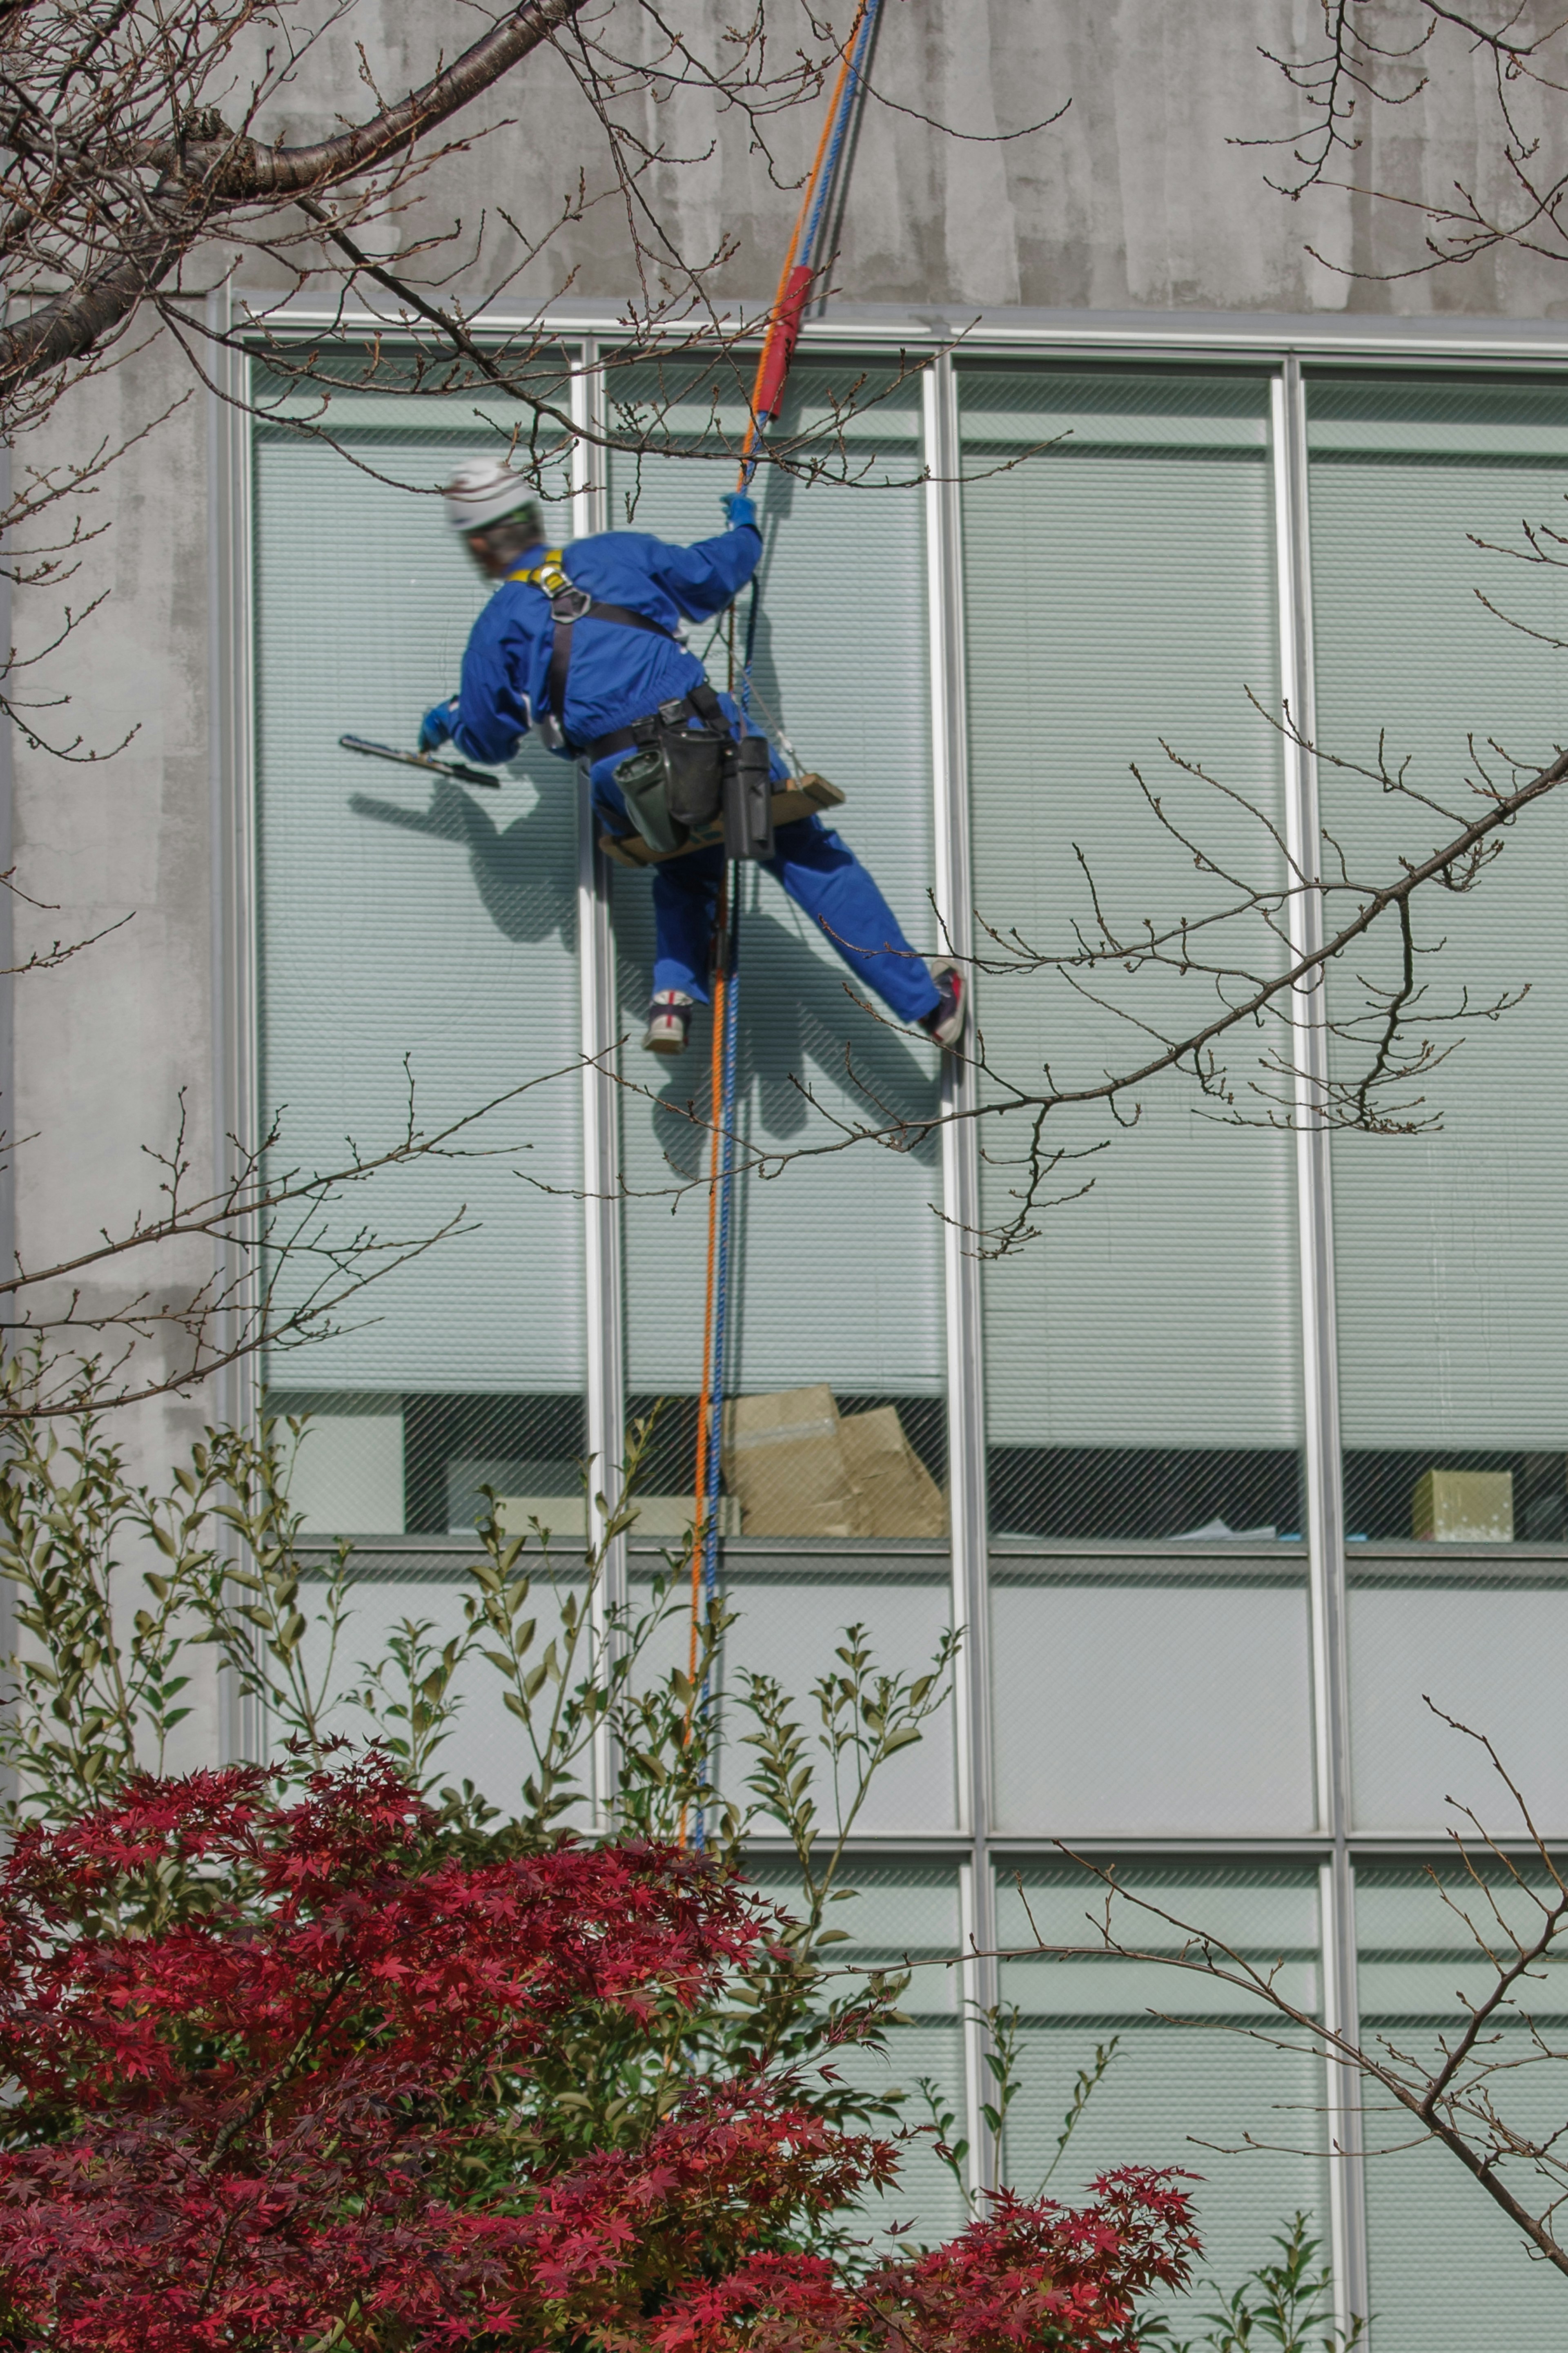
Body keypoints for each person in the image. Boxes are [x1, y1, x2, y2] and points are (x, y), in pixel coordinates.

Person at [419, 457, 967, 1058]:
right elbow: (713, 573)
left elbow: (490, 738)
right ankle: (931, 1005)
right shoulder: (614, 554)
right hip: (703, 739)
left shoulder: (497, 623)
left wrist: (453, 721)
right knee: (808, 855)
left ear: (479, 542)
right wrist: (745, 529)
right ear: (529, 515)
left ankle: (673, 997)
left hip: (620, 780)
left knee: (682, 862)